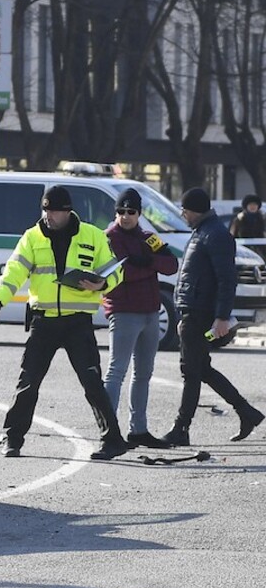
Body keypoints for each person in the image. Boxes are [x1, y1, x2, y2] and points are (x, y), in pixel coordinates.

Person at [0, 185, 131, 460]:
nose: (48, 215)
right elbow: (13, 272)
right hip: (44, 321)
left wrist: (102, 283)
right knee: (28, 383)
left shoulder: (93, 236)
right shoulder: (32, 237)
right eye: (45, 209)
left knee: (92, 382)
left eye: (53, 211)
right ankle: (12, 439)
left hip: (78, 323)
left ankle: (113, 440)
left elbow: (115, 272)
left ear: (67, 211)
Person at [159, 188, 264, 445]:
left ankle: (181, 429)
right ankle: (246, 412)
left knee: (192, 371)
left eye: (184, 209)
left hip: (200, 313)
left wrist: (221, 317)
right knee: (199, 369)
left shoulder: (215, 234)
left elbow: (227, 280)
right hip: (193, 311)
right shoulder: (203, 231)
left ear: (195, 209)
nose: (182, 214)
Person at [101, 188, 179, 449]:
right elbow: (120, 275)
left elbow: (172, 266)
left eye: (130, 212)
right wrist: (150, 264)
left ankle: (139, 430)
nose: (125, 216)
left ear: (139, 213)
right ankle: (109, 431)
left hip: (150, 312)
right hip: (123, 311)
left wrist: (145, 261)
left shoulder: (149, 237)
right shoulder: (109, 238)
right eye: (121, 211)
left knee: (144, 373)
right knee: (116, 372)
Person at [229, 193, 265, 259]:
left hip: (260, 252)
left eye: (255, 205)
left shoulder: (262, 219)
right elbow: (232, 235)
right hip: (243, 252)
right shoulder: (239, 219)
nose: (253, 207)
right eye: (250, 205)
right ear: (246, 206)